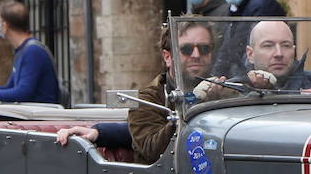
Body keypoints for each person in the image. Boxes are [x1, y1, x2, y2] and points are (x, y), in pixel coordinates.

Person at [55, 21, 217, 165]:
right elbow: (153, 150)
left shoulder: (226, 91)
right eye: (187, 49)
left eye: (204, 49)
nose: (196, 55)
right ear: (168, 57)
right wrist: (193, 104)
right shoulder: (148, 98)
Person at [0, 1, 61, 104]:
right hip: (30, 114)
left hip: (41, 116)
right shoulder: (21, 51)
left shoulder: (33, 51)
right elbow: (11, 87)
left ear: (5, 26)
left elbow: (23, 92)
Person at [212, 0, 286, 77]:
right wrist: (214, 79)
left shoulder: (261, 6)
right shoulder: (237, 6)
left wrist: (235, 82)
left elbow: (248, 52)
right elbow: (226, 49)